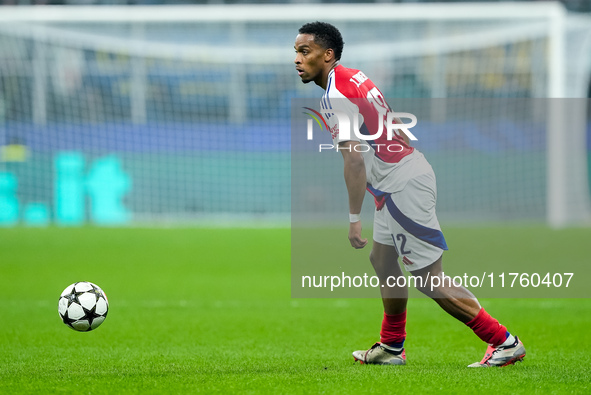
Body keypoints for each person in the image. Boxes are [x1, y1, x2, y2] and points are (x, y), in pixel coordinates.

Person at [294, 21, 526, 367]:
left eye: (304, 51)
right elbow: (387, 121)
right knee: (383, 260)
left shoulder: (334, 96)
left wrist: (354, 218)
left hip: (403, 185)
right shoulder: (354, 77)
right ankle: (391, 347)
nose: (297, 59)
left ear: (327, 55)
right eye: (296, 52)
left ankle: (503, 341)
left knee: (430, 279)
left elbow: (354, 161)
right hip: (396, 182)